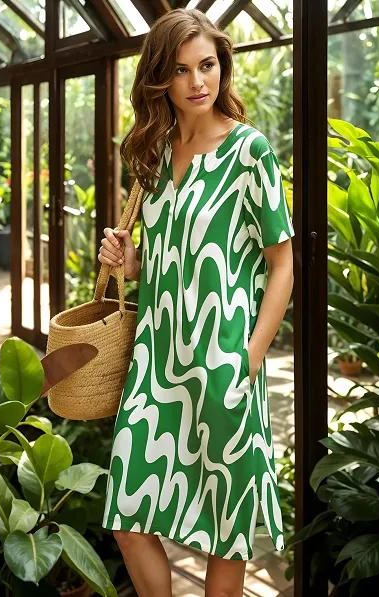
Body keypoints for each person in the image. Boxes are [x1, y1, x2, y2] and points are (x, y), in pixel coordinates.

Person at [98, 8, 295, 597]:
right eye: (181, 70)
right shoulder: (154, 158)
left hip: (224, 364)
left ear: (221, 65)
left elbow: (283, 263)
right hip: (156, 365)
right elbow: (162, 263)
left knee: (222, 531)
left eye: (206, 64)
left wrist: (249, 360)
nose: (197, 81)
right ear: (161, 78)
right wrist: (126, 262)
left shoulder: (248, 151)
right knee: (128, 521)